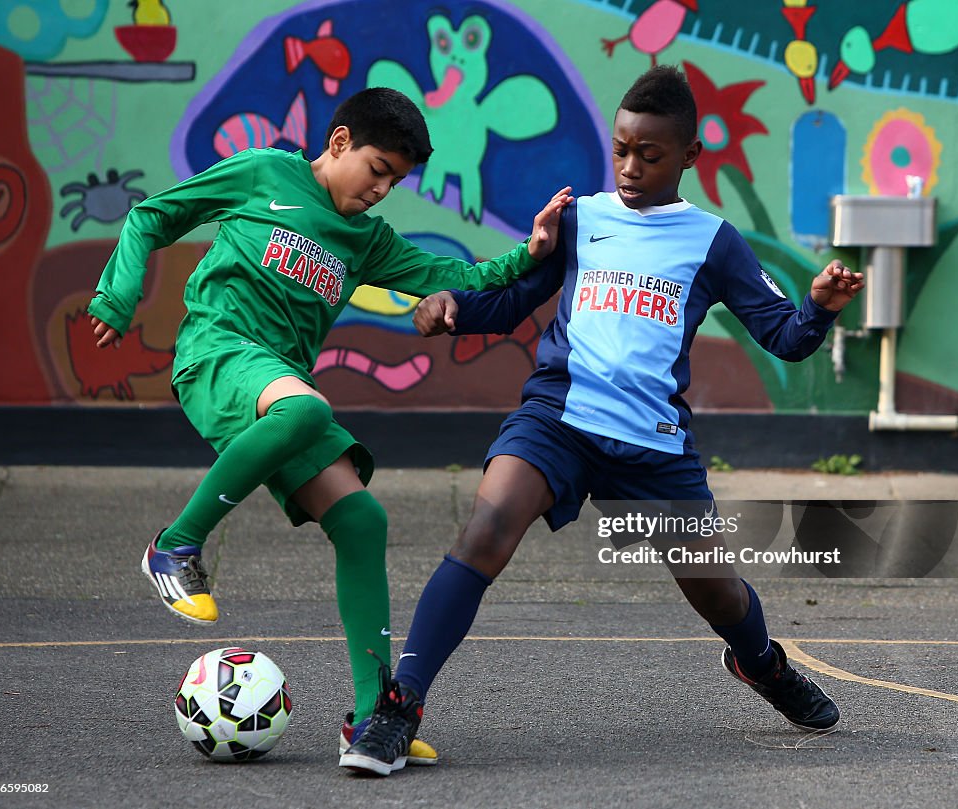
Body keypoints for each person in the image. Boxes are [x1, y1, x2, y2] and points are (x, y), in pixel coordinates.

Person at [341, 66, 864, 776]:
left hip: (652, 442)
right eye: (620, 149)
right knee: (486, 528)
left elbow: (787, 338)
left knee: (713, 586)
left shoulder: (712, 241)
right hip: (558, 414)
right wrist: (453, 308)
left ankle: (761, 663)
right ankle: (398, 707)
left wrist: (822, 303)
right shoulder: (581, 217)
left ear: (688, 155)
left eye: (649, 155)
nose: (629, 167)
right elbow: (514, 299)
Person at [87, 87, 572, 764]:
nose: (382, 189)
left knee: (363, 519)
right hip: (218, 352)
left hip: (279, 384)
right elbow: (151, 215)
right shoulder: (264, 173)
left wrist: (532, 251)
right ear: (340, 142)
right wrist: (118, 292)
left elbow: (457, 274)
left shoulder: (367, 241)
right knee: (306, 407)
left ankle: (375, 718)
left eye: (396, 181)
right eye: (377, 169)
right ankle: (173, 546)